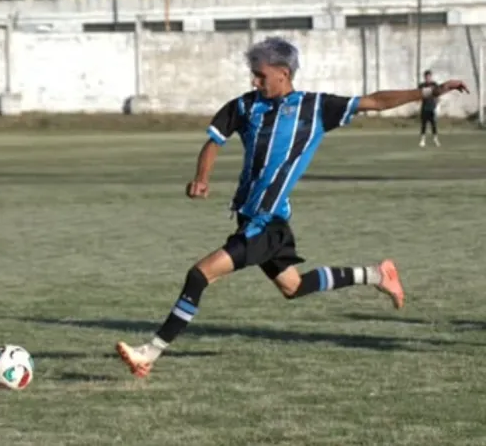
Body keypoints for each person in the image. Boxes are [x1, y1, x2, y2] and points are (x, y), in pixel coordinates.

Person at [115, 36, 468, 379]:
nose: (255, 81)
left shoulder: (315, 107)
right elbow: (213, 142)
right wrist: (201, 177)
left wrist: (431, 92)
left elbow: (374, 101)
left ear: (283, 72)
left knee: (199, 274)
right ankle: (376, 275)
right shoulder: (245, 106)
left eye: (261, 75)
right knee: (293, 287)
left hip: (267, 224)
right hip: (256, 218)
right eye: (253, 74)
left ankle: (149, 352)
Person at [418, 70, 440, 148]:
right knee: (424, 124)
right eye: (426, 77)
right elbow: (419, 95)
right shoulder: (421, 85)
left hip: (432, 107)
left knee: (433, 124)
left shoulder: (435, 84)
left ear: (431, 77)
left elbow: (437, 95)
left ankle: (435, 139)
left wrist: (436, 105)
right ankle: (422, 140)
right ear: (424, 77)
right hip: (424, 107)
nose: (428, 78)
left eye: (429, 76)